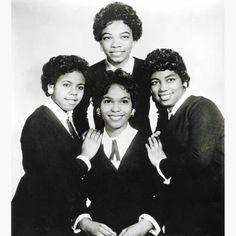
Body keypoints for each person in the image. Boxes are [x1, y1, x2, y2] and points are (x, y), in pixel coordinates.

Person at [11, 55, 103, 236]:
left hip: (53, 215)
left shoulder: (63, 118)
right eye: (66, 85)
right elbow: (55, 179)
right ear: (50, 87)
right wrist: (85, 156)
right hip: (34, 219)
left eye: (80, 87)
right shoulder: (39, 122)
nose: (74, 93)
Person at [72, 69, 165, 236]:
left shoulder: (151, 144)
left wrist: (146, 224)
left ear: (133, 108)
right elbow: (70, 190)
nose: (116, 109)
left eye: (124, 101)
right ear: (98, 108)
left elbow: (167, 192)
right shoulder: (86, 144)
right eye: (108, 101)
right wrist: (85, 223)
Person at [144, 48, 224, 235]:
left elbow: (199, 159)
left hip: (210, 216)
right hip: (184, 213)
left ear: (185, 81)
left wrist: (161, 163)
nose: (163, 88)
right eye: (156, 82)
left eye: (170, 79)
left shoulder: (201, 106)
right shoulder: (169, 117)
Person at [73, 1, 163, 136]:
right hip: (103, 148)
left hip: (142, 149)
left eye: (124, 37)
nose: (116, 44)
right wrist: (86, 135)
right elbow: (78, 112)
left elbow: (163, 109)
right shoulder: (90, 74)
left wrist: (158, 135)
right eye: (108, 37)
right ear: (100, 42)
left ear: (134, 39)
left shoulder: (147, 70)